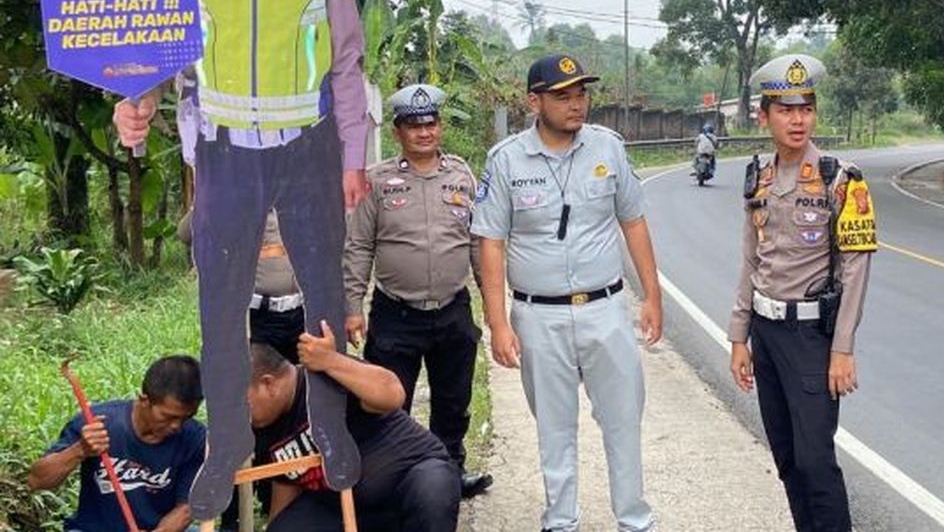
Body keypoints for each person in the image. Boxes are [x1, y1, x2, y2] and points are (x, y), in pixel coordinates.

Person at [112, 0, 366, 520]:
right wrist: (136, 100)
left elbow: (348, 65)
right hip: (223, 155)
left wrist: (354, 159)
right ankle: (227, 449)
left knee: (323, 306)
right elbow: (153, 39)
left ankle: (331, 428)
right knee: (222, 312)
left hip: (309, 152)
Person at [472, 53, 664, 532]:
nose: (577, 104)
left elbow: (633, 222)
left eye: (581, 94)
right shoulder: (507, 159)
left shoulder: (608, 149)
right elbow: (490, 243)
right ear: (533, 101)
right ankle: (561, 520)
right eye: (563, 96)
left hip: (606, 308)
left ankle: (634, 520)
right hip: (539, 316)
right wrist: (497, 322)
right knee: (554, 426)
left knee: (622, 421)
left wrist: (653, 295)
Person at [727, 54, 875, 532]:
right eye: (786, 110)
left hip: (812, 336)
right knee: (788, 458)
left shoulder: (841, 179)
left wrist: (843, 349)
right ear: (764, 115)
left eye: (806, 109)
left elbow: (856, 267)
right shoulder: (759, 177)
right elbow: (751, 259)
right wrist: (738, 337)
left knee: (816, 461)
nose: (798, 120)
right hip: (766, 336)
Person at [343, 83, 492, 499]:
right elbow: (358, 246)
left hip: (452, 311)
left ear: (440, 126)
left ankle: (450, 473)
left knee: (452, 400)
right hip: (396, 314)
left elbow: (478, 242)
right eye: (413, 125)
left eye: (430, 123)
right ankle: (388, 480)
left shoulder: (461, 175)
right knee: (388, 404)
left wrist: (495, 302)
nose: (424, 132)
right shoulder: (378, 181)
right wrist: (352, 306)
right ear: (398, 132)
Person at [247, 331, 460, 531]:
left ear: (268, 384)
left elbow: (393, 394)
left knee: (433, 491)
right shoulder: (264, 425)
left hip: (408, 478)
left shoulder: (323, 377)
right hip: (343, 507)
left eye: (241, 404)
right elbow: (286, 485)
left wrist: (331, 360)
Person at [28, 356, 206, 532]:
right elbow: (37, 480)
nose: (176, 426)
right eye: (168, 417)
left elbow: (186, 507)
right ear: (144, 401)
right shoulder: (96, 424)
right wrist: (80, 450)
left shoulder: (195, 437)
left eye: (186, 417)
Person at [179, 207, 306, 364]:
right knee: (255, 380)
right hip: (256, 319)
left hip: (302, 315)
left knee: (300, 381)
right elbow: (185, 233)